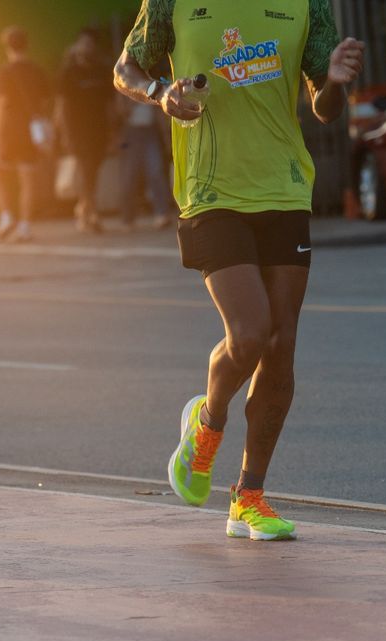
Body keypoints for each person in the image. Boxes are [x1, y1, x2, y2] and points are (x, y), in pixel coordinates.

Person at [114, 1, 363, 541]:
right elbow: (125, 69)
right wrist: (161, 94)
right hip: (211, 192)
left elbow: (325, 105)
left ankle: (249, 496)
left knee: (282, 341)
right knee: (250, 333)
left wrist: (336, 81)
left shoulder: (307, 4)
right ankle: (207, 423)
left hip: (284, 187)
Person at [0, 26, 50, 243]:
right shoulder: (36, 71)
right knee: (28, 179)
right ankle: (25, 226)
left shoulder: (5, 72)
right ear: (26, 45)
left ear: (8, 47)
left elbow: (1, 104)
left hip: (8, 130)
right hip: (30, 131)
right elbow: (44, 103)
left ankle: (6, 216)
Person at [58, 28, 114, 234]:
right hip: (77, 130)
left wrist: (112, 131)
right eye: (83, 43)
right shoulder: (69, 73)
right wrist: (64, 133)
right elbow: (61, 105)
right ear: (77, 46)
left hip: (99, 130)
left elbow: (109, 104)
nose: (86, 47)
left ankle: (83, 207)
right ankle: (91, 213)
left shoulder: (101, 71)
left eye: (90, 44)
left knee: (92, 172)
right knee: (85, 169)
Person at [117, 83, 172, 231]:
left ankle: (162, 214)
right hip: (131, 133)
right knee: (129, 175)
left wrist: (166, 136)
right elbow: (120, 111)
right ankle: (128, 218)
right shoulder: (124, 83)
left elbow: (160, 113)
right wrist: (134, 99)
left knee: (156, 171)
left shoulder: (152, 84)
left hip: (150, 132)